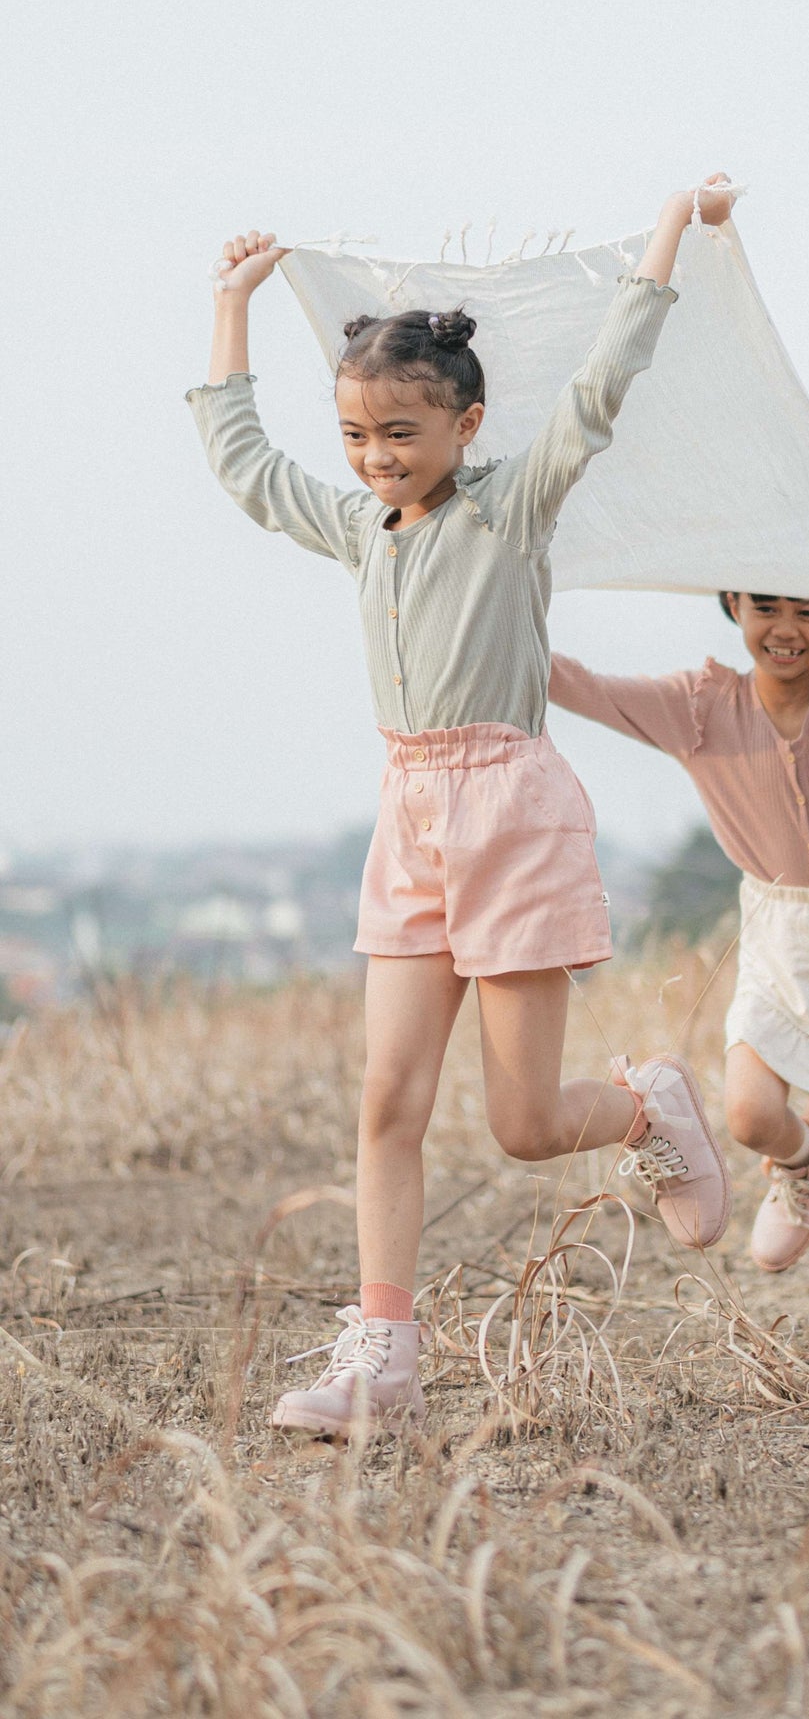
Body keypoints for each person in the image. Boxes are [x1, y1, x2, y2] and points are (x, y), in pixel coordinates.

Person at [189, 185, 737, 1437]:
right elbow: (242, 465)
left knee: (527, 1124)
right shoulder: (357, 525)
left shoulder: (508, 506)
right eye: (358, 432)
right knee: (387, 1100)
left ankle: (647, 1101)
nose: (377, 453)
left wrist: (664, 239)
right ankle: (384, 1359)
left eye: (401, 428)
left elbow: (600, 391)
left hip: (509, 810)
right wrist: (231, 306)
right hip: (409, 816)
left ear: (464, 421)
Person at [548, 588, 809, 1348]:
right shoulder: (701, 705)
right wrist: (495, 621)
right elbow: (587, 689)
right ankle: (808, 1160)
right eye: (765, 608)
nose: (785, 630)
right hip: (776, 930)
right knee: (747, 1115)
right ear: (734, 606)